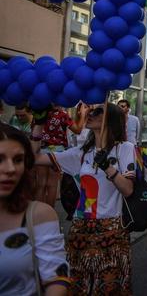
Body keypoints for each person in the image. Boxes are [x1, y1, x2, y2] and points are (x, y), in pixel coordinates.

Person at [33, 103, 136, 294]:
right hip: (80, 231)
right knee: (78, 288)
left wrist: (107, 167)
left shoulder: (125, 149)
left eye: (97, 111)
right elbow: (34, 158)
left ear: (110, 119)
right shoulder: (80, 153)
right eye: (91, 110)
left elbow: (128, 189)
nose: (90, 113)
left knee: (108, 288)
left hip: (112, 231)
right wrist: (38, 124)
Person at [0, 124, 70, 295]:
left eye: (18, 160)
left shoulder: (38, 215)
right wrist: (38, 126)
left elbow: (56, 278)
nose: (10, 169)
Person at [35, 106, 83, 207]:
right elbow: (77, 130)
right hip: (57, 151)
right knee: (52, 184)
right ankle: (49, 212)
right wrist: (83, 115)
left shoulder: (40, 112)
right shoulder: (63, 115)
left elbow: (35, 130)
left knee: (41, 184)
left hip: (42, 149)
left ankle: (38, 211)